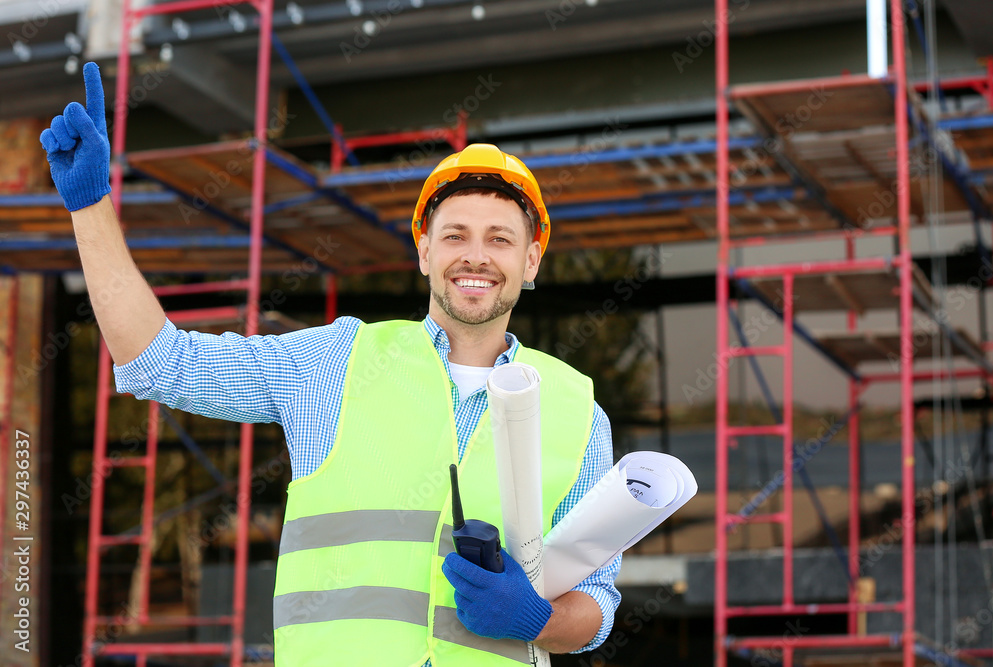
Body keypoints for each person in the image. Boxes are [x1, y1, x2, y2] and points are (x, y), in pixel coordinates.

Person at [41, 62, 622, 666]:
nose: (475, 256)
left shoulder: (577, 410)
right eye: (455, 235)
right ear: (423, 250)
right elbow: (162, 361)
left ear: (531, 262)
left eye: (500, 239)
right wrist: (91, 206)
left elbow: (598, 602)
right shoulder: (334, 363)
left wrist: (537, 619)